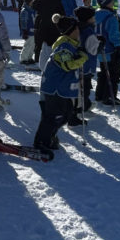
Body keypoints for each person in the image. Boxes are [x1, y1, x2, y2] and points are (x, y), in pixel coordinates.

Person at [34, 13, 87, 152]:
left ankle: (50, 136)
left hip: (62, 88)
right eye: (76, 29)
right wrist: (82, 58)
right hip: (54, 88)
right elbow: (67, 65)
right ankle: (42, 141)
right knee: (54, 116)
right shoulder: (63, 46)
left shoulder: (71, 44)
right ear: (71, 31)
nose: (79, 31)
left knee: (65, 114)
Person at [94, 0, 120, 105]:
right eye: (111, 1)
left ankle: (99, 94)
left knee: (104, 71)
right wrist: (119, 47)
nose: (113, 2)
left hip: (99, 49)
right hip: (111, 49)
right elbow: (113, 35)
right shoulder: (110, 17)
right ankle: (109, 96)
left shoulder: (95, 15)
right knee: (114, 73)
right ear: (106, 3)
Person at [19, 0, 39, 66]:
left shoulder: (33, 9)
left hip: (33, 31)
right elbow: (23, 22)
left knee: (32, 45)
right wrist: (24, 31)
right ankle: (23, 58)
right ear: (29, 2)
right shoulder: (25, 11)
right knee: (27, 45)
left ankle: (29, 57)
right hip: (28, 31)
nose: (34, 3)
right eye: (33, 1)